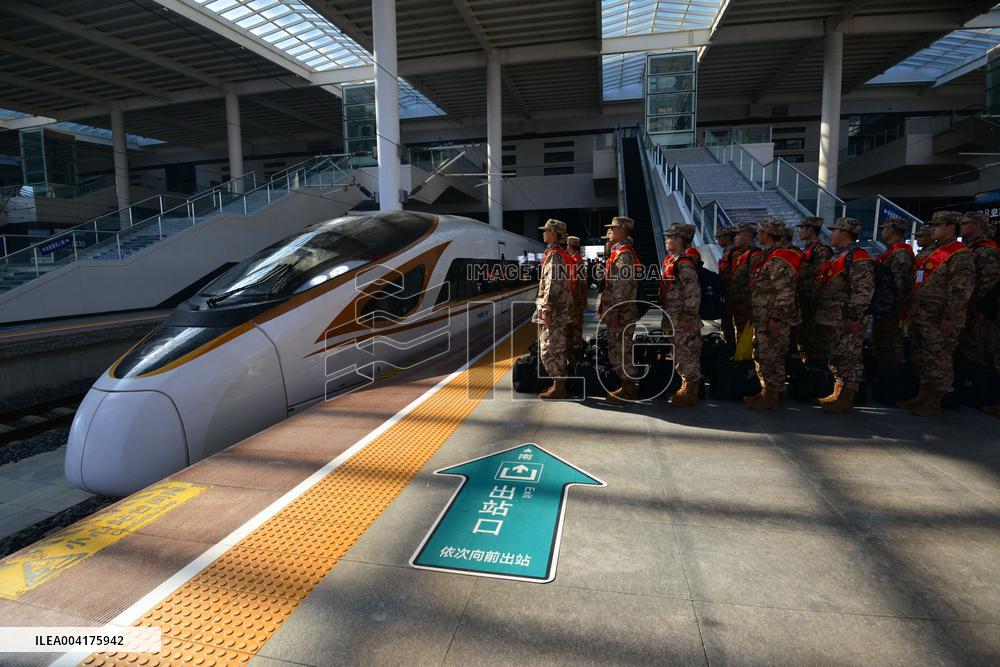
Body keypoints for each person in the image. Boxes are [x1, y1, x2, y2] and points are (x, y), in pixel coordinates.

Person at [898, 211, 975, 416]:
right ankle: (923, 393)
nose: (933, 229)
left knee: (938, 358)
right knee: (921, 356)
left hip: (939, 318)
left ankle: (935, 401)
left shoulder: (960, 254)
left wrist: (951, 317)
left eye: (937, 225)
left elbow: (960, 290)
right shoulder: (928, 251)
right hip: (920, 314)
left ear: (951, 227)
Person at [814, 217, 875, 413]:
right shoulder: (840, 255)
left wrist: (855, 316)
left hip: (846, 318)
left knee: (850, 358)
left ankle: (847, 398)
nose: (831, 234)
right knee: (836, 357)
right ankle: (837, 393)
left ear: (845, 234)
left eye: (835, 231)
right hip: (833, 318)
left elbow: (863, 290)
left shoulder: (858, 257)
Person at [745, 218, 802, 409]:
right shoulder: (768, 256)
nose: (757, 236)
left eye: (759, 232)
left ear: (766, 234)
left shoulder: (779, 259)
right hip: (764, 317)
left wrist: (777, 318)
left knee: (773, 357)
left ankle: (773, 396)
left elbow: (786, 292)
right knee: (763, 355)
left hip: (774, 319)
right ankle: (766, 391)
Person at [659, 223, 702, 407]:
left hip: (683, 320)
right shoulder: (673, 260)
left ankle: (691, 392)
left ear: (679, 240)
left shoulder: (684, 263)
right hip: (673, 317)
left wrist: (688, 318)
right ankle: (686, 386)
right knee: (679, 354)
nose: (667, 240)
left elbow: (693, 292)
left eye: (670, 237)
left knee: (687, 355)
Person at [532, 219, 575, 400]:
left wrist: (546, 310)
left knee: (549, 349)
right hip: (559, 311)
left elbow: (552, 285)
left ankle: (560, 387)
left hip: (555, 312)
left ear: (554, 233)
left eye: (547, 230)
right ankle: (558, 384)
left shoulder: (554, 255)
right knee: (555, 348)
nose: (543, 233)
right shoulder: (555, 253)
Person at [598, 216, 639, 404]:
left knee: (623, 350)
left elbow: (622, 287)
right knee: (617, 349)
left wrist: (614, 312)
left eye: (613, 228)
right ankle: (625, 385)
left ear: (623, 231)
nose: (609, 232)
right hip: (617, 312)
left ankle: (629, 389)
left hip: (621, 314)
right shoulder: (618, 253)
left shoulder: (624, 255)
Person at [957, 212, 1000, 371]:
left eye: (965, 223)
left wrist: (977, 309)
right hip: (968, 309)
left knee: (977, 352)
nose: (961, 226)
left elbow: (989, 284)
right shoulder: (971, 248)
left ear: (977, 225)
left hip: (979, 312)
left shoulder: (986, 250)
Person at [871, 217, 915, 368]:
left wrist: (894, 309)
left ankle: (889, 384)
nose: (882, 232)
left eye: (883, 228)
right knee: (880, 347)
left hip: (891, 311)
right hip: (886, 309)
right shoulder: (894, 251)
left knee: (888, 350)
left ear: (890, 229)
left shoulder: (901, 253)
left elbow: (900, 285)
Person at [795, 217, 833, 363]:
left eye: (803, 228)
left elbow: (821, 277)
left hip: (813, 305)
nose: (800, 231)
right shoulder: (807, 250)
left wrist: (811, 299)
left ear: (811, 230)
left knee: (816, 346)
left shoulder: (821, 251)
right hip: (804, 302)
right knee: (804, 343)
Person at [728, 223, 762, 348]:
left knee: (747, 335)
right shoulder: (736, 253)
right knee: (740, 333)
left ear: (747, 236)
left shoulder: (755, 255)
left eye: (737, 235)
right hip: (737, 303)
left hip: (747, 305)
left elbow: (755, 281)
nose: (735, 238)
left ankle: (747, 363)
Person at [565, 235, 588, 361]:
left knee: (574, 333)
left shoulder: (574, 261)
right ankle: (577, 360)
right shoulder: (579, 260)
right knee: (577, 331)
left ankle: (576, 362)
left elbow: (574, 284)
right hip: (578, 302)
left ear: (569, 246)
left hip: (574, 303)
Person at [715, 226, 737, 344]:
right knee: (726, 322)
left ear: (728, 237)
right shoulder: (727, 252)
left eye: (720, 237)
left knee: (731, 322)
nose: (718, 240)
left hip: (733, 293)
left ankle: (733, 347)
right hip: (727, 292)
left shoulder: (734, 253)